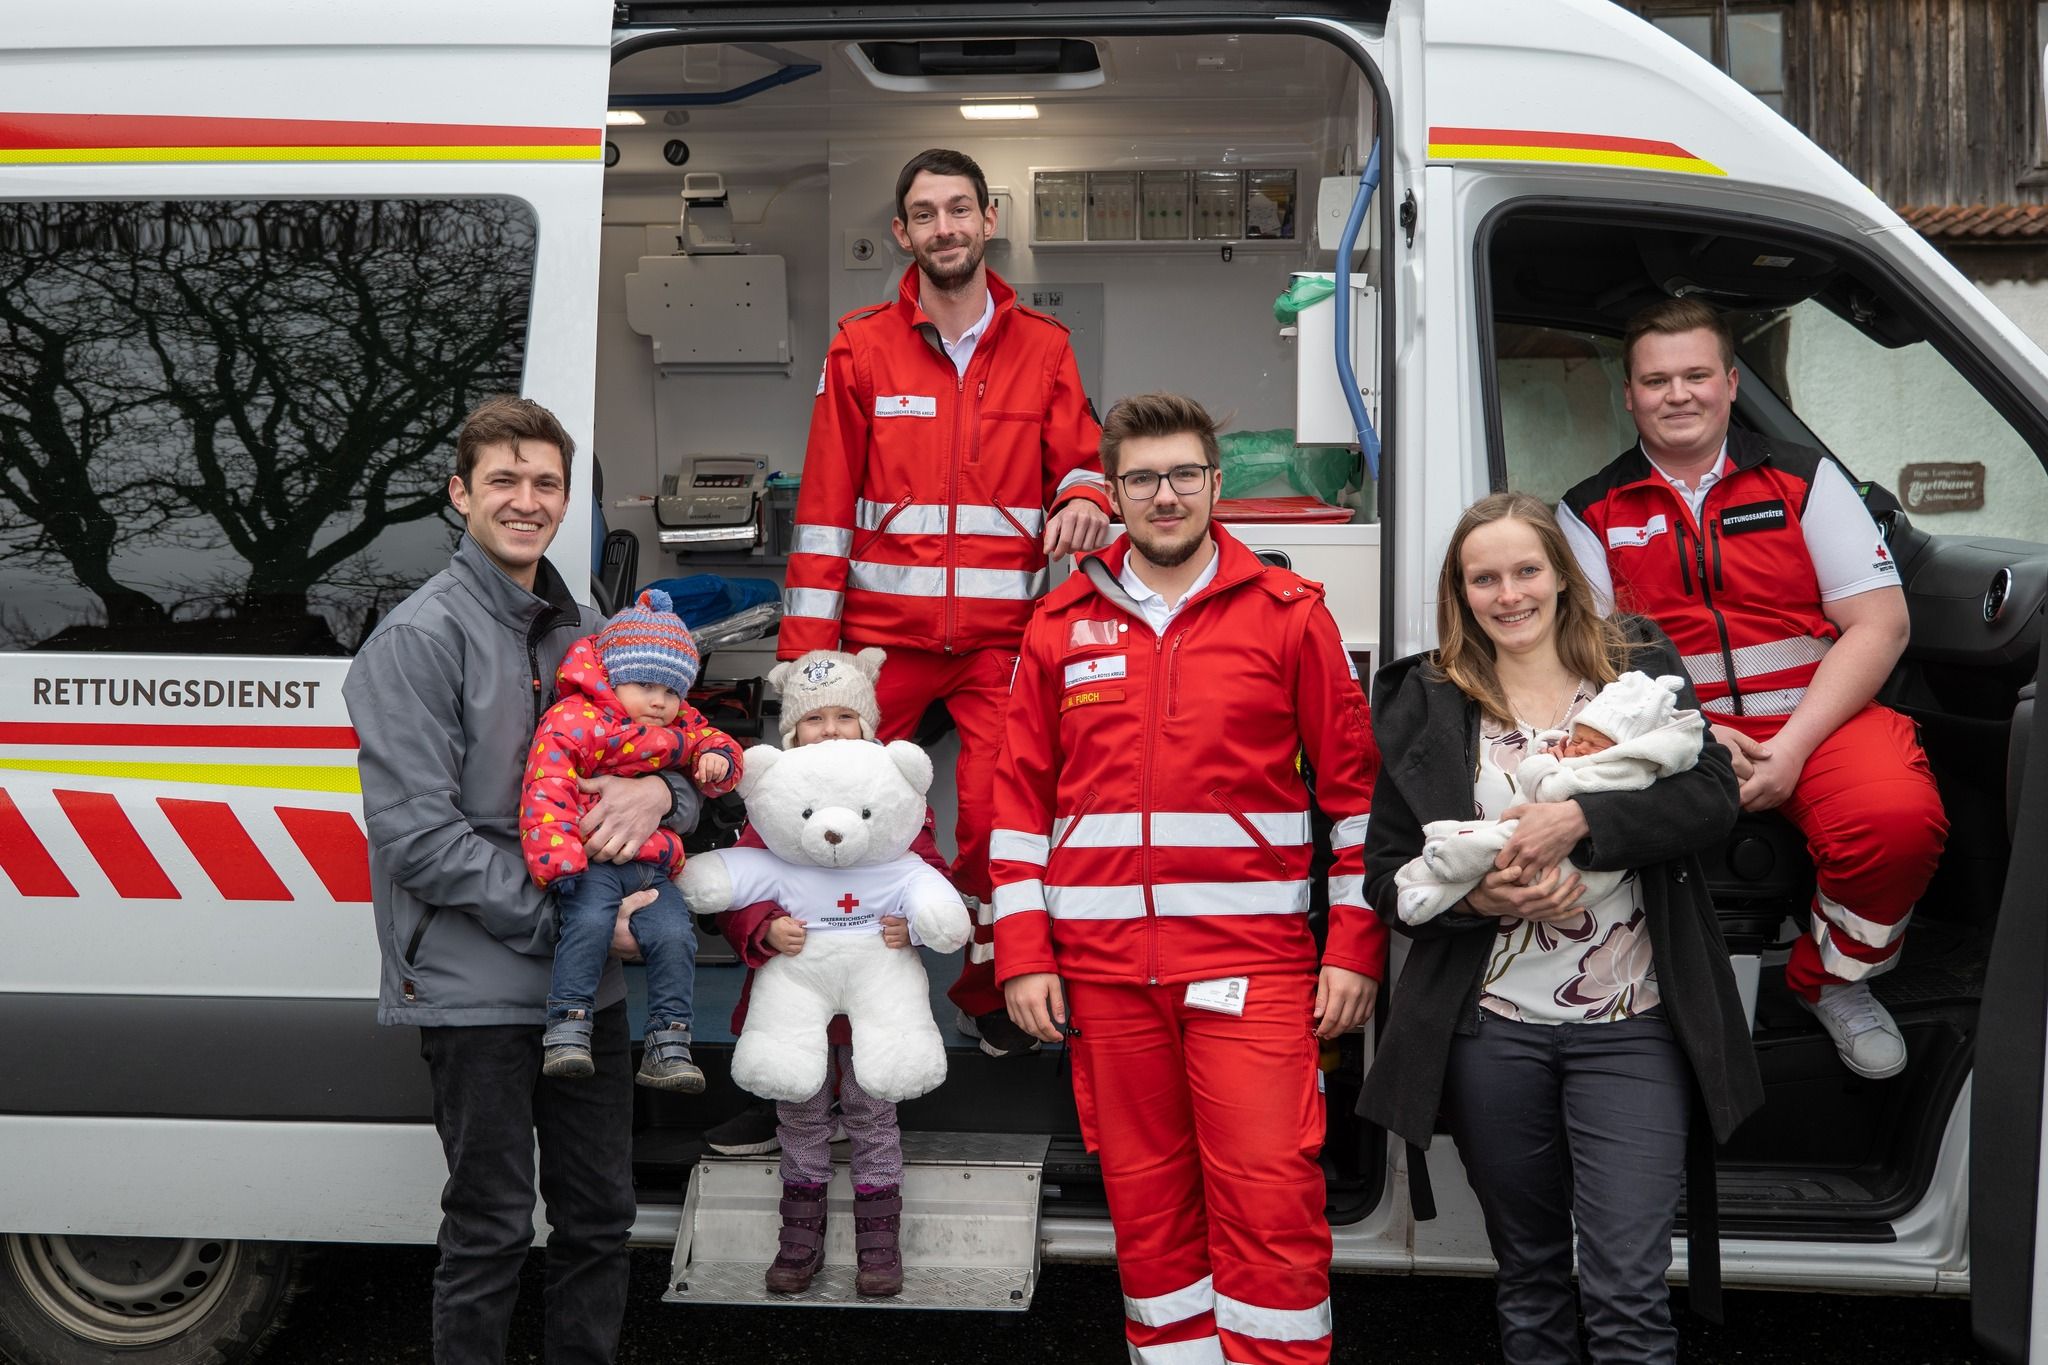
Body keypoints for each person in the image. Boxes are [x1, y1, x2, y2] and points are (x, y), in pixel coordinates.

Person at [993, 393, 1382, 1365]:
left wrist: (1353, 950)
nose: (1163, 496)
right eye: (1141, 479)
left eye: (1181, 475)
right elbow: (1018, 808)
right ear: (1113, 493)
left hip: (1251, 969)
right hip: (1105, 977)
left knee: (1268, 1199)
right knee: (1148, 1210)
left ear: (1214, 484)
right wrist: (1023, 956)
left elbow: (1358, 805)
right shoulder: (1058, 626)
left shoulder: (1290, 616)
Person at [1359, 492, 1763, 1365]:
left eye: (1526, 571)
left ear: (1562, 575)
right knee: (1532, 1279)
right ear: (1460, 592)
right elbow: (1387, 876)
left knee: (1626, 1290)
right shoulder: (1430, 699)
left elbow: (1711, 797)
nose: (1509, 594)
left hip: (1633, 1023)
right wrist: (1481, 902)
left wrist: (1580, 819)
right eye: (1485, 579)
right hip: (1492, 1032)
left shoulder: (1633, 669)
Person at [346, 396, 700, 1365]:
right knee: (492, 1227)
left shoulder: (593, 628)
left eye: (545, 482)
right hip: (478, 988)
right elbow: (418, 838)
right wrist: (574, 926)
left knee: (600, 1221)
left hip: (593, 987)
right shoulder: (419, 638)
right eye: (502, 479)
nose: (526, 500)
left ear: (565, 500)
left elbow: (683, 755)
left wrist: (665, 796)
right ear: (460, 493)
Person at [778, 146, 1114, 1059]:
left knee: (1002, 826)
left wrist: (1086, 494)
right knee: (838, 816)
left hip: (1002, 644)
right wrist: (809, 663)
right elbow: (823, 511)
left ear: (989, 219)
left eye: (959, 209)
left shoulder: (1044, 346)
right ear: (902, 232)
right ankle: (824, 1015)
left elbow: (1081, 462)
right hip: (878, 647)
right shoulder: (860, 345)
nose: (945, 228)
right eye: (925, 214)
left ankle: (985, 994)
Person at [1557, 297, 1949, 1078]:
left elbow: (1880, 625)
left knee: (1898, 822)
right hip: (1674, 735)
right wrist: (1697, 738)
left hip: (1821, 720)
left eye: (1697, 375)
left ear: (1731, 383)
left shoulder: (1806, 480)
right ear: (1629, 395)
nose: (1678, 394)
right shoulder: (1588, 510)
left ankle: (1832, 979)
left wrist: (1793, 748)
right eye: (1656, 380)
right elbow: (1588, 660)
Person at [714, 647, 952, 1298]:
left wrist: (911, 922)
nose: (830, 729)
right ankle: (800, 1238)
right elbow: (739, 884)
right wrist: (763, 925)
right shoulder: (776, 801)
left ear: (868, 725)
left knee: (873, 1117)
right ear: (792, 731)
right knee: (801, 1116)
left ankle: (879, 1242)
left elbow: (927, 874)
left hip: (873, 1001)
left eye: (846, 716)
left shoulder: (892, 795)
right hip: (797, 999)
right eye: (814, 719)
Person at [521, 588, 743, 1090]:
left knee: (675, 937)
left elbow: (714, 740)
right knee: (587, 926)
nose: (660, 701)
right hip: (592, 862)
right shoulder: (576, 719)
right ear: (613, 678)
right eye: (645, 685)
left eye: (672, 691)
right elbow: (547, 786)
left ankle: (669, 1043)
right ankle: (568, 1028)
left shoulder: (680, 723)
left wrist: (719, 760)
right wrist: (557, 860)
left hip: (651, 866)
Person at [1390, 669, 1705, 928]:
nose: (1581, 749)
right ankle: (1429, 880)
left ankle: (1442, 865)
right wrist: (1476, 904)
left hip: (1574, 885)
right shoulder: (1429, 689)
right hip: (1495, 967)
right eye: (1577, 739)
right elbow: (1385, 858)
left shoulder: (1623, 766)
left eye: (1595, 745)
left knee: (1495, 846)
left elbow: (1550, 790)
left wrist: (1571, 803)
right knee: (1492, 857)